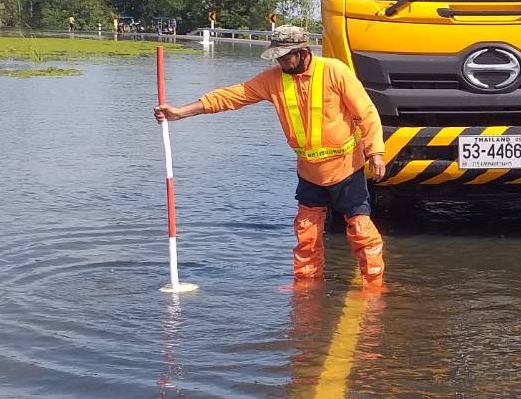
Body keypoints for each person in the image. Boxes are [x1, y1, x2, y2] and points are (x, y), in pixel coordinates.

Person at [153, 26, 387, 284]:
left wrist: (375, 152)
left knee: (360, 229)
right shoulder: (273, 79)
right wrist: (181, 112)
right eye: (278, 57)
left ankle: (374, 286)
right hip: (309, 171)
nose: (282, 61)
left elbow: (367, 113)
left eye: (287, 56)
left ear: (303, 51)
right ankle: (306, 289)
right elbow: (232, 96)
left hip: (346, 168)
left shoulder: (335, 71)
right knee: (306, 232)